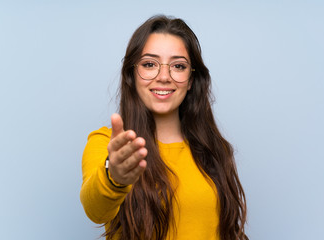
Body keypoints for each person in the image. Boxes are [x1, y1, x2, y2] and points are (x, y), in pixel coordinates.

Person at [80, 15, 248, 240]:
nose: (164, 77)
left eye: (178, 66)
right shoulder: (105, 143)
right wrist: (114, 177)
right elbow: (95, 210)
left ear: (190, 80)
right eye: (149, 64)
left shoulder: (215, 149)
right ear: (131, 74)